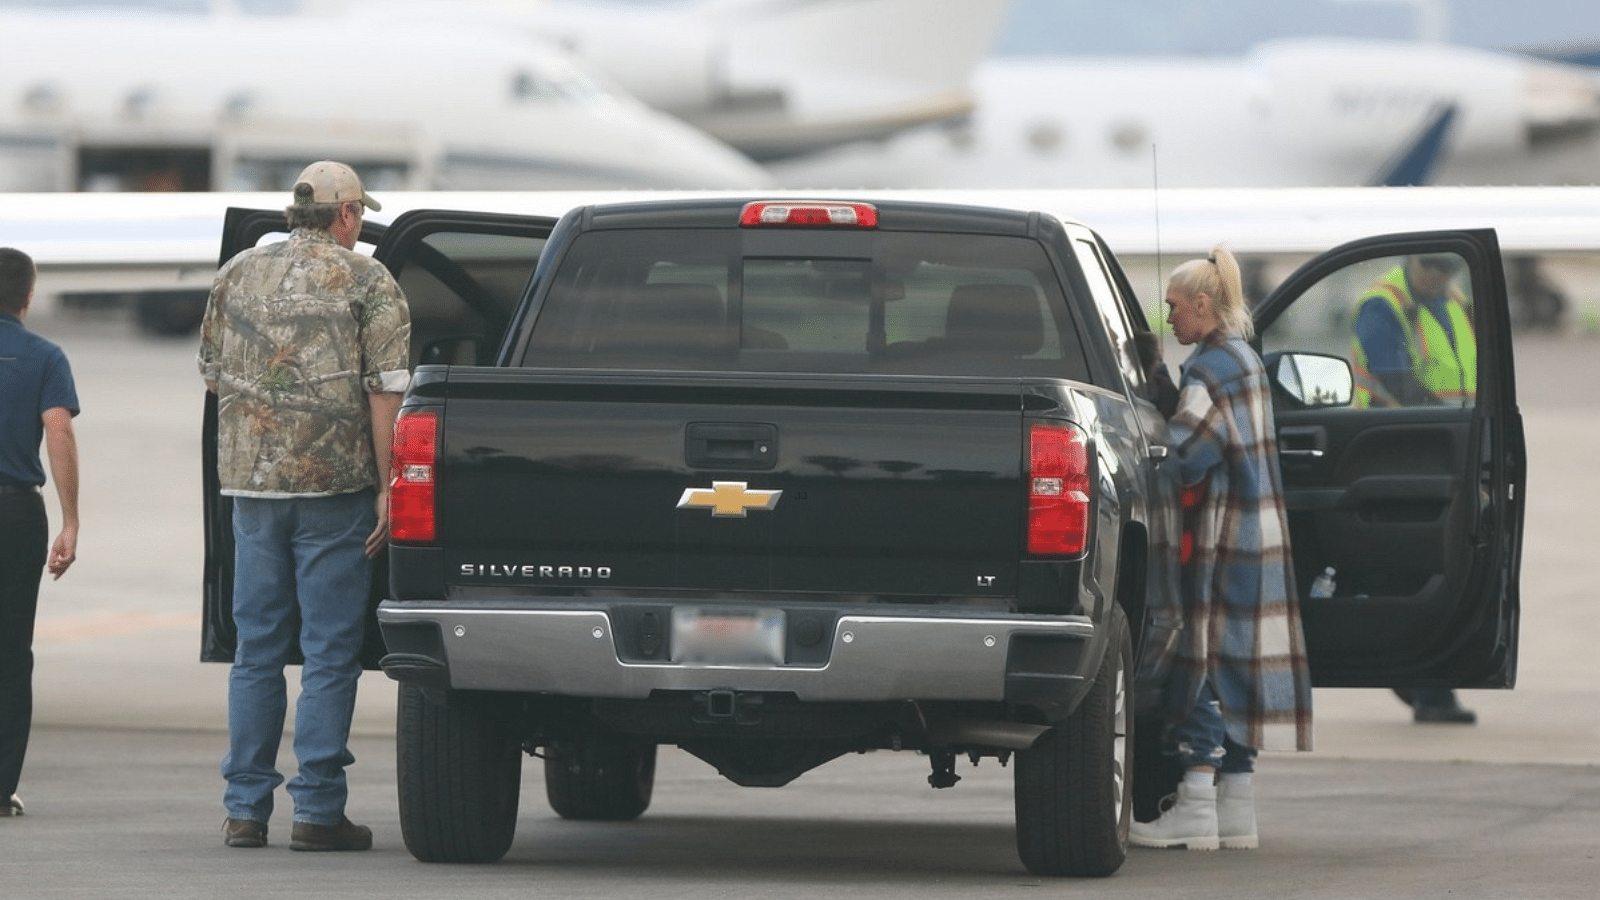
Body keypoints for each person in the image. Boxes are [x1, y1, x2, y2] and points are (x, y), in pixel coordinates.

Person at [198, 161, 410, 851]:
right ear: (346, 215)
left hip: (251, 493)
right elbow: (387, 393)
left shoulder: (236, 273)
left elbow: (212, 378)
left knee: (256, 651)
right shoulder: (370, 281)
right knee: (328, 653)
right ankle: (317, 812)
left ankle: (245, 810)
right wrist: (389, 486)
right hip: (334, 491)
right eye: (361, 216)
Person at [1130, 246, 1313, 852]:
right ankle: (1237, 808)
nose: (1170, 319)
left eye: (1175, 308)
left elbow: (1186, 461)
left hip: (1223, 538)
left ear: (1203, 305)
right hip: (1260, 537)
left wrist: (1151, 422)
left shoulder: (1209, 370)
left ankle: (1197, 804)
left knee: (1206, 660)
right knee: (1241, 659)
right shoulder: (1246, 359)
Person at [1350, 254, 1479, 724]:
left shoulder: (1453, 301)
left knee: (1432, 569)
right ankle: (1427, 687)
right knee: (1415, 571)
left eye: (1449, 270)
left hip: (1447, 448)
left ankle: (1422, 680)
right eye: (1432, 267)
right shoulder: (1383, 305)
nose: (1440, 277)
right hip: (1398, 452)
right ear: (1412, 261)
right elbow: (1396, 381)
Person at [0, 247, 81, 819]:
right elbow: (60, 434)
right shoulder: (45, 356)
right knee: (10, 653)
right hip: (15, 515)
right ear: (28, 298)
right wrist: (71, 520)